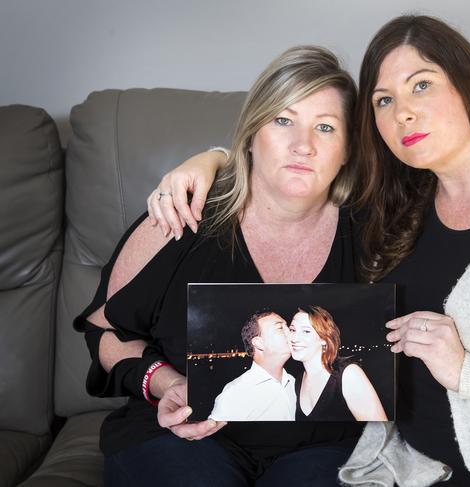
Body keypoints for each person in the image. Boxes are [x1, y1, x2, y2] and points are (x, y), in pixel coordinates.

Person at [147, 15, 470, 487]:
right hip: (414, 467)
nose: (403, 111)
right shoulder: (399, 196)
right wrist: (213, 160)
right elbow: (294, 154)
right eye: (383, 100)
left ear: (468, 84)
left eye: (422, 84)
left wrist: (468, 372)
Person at [74, 45, 366, 486]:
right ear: (252, 135)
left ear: (346, 150)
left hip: (323, 450)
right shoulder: (180, 217)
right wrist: (166, 382)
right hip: (182, 441)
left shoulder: (378, 235)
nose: (302, 145)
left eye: (325, 127)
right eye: (282, 120)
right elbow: (106, 331)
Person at [289, 306, 387, 421]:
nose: (294, 338)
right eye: (292, 330)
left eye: (306, 331)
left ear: (324, 339)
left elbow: (381, 431)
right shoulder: (297, 381)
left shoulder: (348, 374)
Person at [208, 311, 296, 421]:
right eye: (280, 328)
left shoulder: (294, 383)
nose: (291, 332)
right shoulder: (235, 394)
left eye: (287, 327)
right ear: (259, 343)